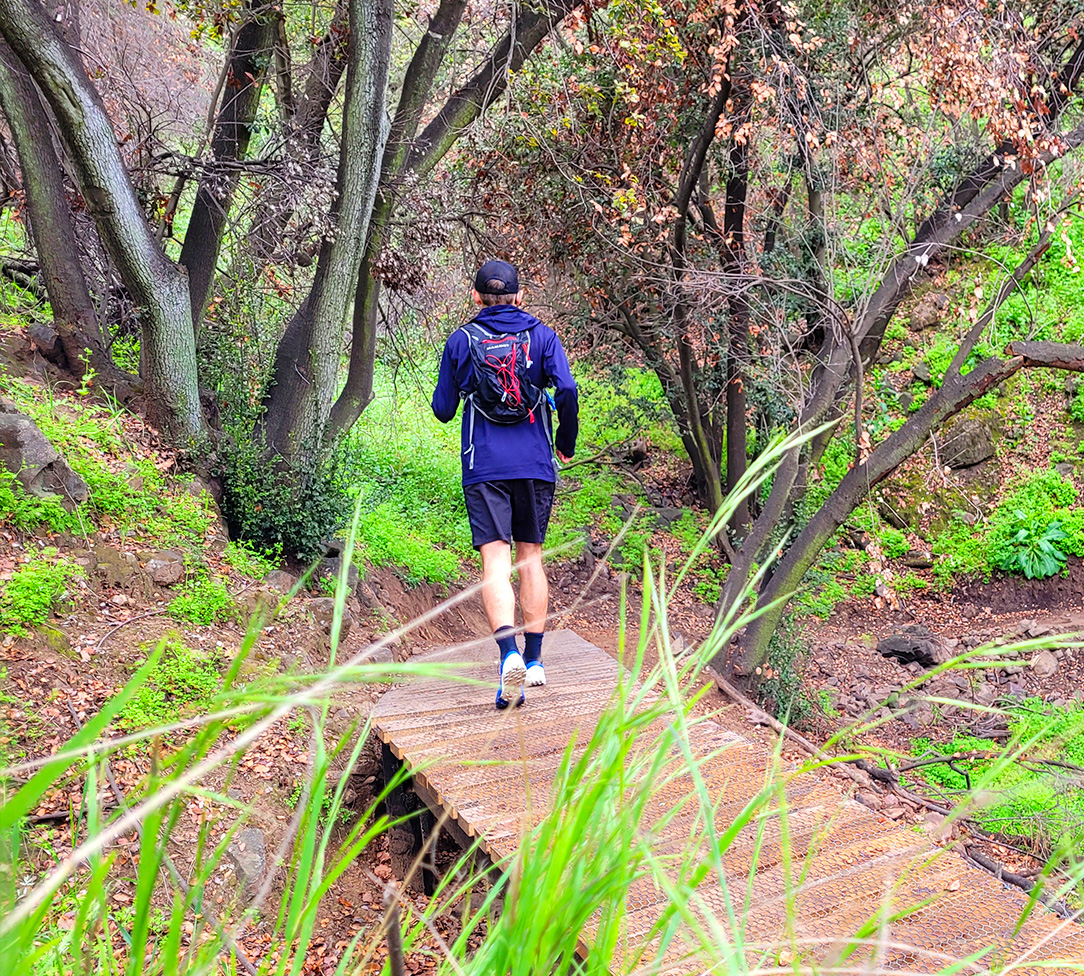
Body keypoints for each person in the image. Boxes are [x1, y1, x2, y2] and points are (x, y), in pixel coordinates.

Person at [432, 260, 578, 709]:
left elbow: (442, 409)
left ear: (475, 296)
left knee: (495, 562)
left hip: (484, 463)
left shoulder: (461, 341)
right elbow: (568, 390)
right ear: (519, 296)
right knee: (530, 557)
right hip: (534, 462)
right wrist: (564, 441)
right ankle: (534, 661)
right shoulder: (543, 336)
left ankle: (507, 654)